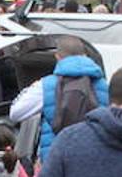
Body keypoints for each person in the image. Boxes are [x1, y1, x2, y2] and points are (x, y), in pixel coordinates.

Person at [9, 36, 110, 164]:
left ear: (57, 57)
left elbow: (15, 113)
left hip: (55, 161)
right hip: (94, 159)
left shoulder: (46, 85)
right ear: (85, 55)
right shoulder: (104, 86)